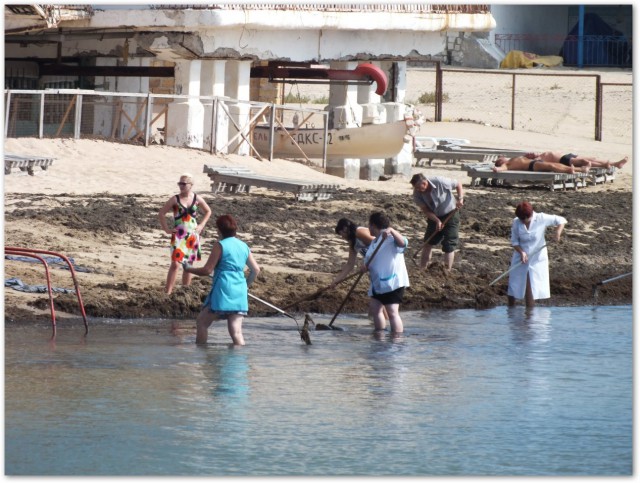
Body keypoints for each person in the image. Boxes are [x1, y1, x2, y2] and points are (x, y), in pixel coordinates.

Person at [183, 214, 260, 345]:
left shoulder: (220, 245)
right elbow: (255, 270)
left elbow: (207, 270)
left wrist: (189, 269)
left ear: (219, 230)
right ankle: (239, 362)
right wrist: (245, 286)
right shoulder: (244, 246)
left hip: (223, 290)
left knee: (202, 322)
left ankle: (202, 354)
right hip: (239, 291)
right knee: (236, 332)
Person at [158, 173, 212, 294]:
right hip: (178, 236)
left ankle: (185, 291)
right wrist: (166, 229)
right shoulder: (175, 199)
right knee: (176, 265)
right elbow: (161, 213)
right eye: (179, 183)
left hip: (192, 236)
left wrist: (201, 225)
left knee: (188, 266)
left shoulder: (196, 198)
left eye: (183, 184)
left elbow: (208, 211)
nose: (181, 186)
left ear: (191, 185)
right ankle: (168, 292)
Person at [507, 201, 567, 307]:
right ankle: (511, 310)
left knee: (531, 285)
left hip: (537, 258)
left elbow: (561, 220)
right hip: (520, 256)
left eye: (525, 220)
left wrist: (557, 232)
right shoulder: (516, 222)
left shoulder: (541, 218)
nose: (523, 222)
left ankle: (530, 315)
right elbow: (514, 241)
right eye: (521, 220)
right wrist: (521, 252)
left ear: (530, 215)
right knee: (514, 284)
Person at [363, 212, 409, 334]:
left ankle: (397, 340)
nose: (368, 228)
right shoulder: (374, 242)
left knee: (392, 312)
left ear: (373, 225)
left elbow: (404, 243)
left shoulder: (390, 239)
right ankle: (380, 336)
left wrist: (392, 231)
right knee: (375, 309)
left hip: (392, 283)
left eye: (369, 225)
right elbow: (370, 260)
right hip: (377, 284)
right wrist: (365, 266)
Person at [410, 173, 464, 271]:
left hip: (451, 214)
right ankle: (422, 270)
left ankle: (447, 271)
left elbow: (458, 184)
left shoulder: (439, 181)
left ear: (425, 182)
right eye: (416, 188)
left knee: (449, 244)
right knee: (428, 242)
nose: (418, 190)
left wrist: (460, 198)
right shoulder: (417, 194)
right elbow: (426, 210)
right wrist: (437, 221)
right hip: (434, 216)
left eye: (419, 187)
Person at [329, 218, 375, 288]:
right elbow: (350, 264)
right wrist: (336, 281)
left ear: (345, 229)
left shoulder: (359, 232)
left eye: (341, 234)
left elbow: (379, 243)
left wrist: (366, 263)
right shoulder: (352, 242)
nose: (342, 237)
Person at [524, 151, 628, 170]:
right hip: (563, 160)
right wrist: (536, 158)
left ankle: (615, 164)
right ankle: (607, 164)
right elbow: (541, 164)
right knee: (584, 161)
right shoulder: (539, 159)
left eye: (531, 152)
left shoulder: (541, 154)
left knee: (592, 158)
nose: (532, 153)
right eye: (530, 155)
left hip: (567, 155)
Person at [492, 155, 588, 174]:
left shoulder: (512, 159)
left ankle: (580, 169)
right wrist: (497, 169)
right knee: (552, 166)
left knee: (555, 164)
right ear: (501, 162)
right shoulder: (507, 164)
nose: (503, 157)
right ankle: (575, 170)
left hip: (534, 162)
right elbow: (501, 168)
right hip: (532, 166)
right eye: (501, 158)